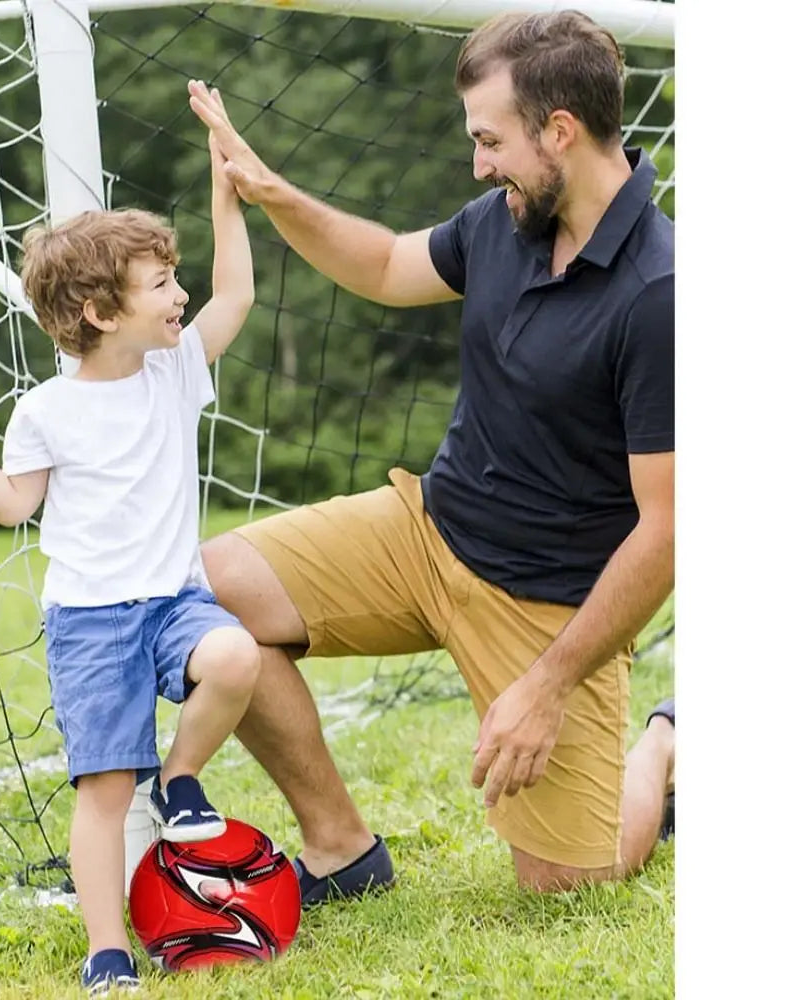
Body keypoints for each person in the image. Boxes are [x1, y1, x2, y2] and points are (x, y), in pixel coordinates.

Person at [187, 9, 675, 900]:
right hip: (427, 531)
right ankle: (341, 849)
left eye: (490, 140)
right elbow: (382, 265)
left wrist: (551, 682)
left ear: (559, 131)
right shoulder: (507, 218)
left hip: (546, 603)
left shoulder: (663, 294)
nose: (479, 163)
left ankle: (667, 742)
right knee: (209, 589)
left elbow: (671, 530)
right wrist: (272, 191)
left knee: (573, 881)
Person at [0, 121, 261, 994]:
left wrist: (226, 187)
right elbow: (17, 504)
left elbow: (238, 296)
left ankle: (180, 782)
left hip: (173, 603)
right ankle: (107, 950)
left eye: (176, 280)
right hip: (91, 624)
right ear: (99, 313)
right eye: (163, 285)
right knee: (101, 793)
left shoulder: (175, 371)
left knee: (237, 656)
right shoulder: (46, 410)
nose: (182, 297)